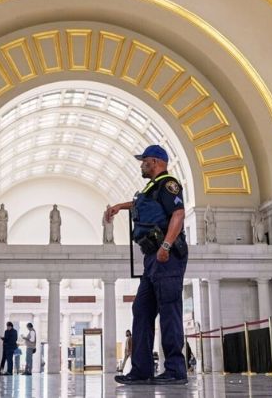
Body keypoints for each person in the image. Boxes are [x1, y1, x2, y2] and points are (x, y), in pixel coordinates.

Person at [104, 144, 189, 385]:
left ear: (155, 161)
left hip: (166, 255)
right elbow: (144, 204)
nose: (141, 164)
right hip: (152, 259)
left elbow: (178, 214)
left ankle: (175, 369)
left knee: (169, 310)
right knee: (141, 310)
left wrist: (166, 246)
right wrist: (121, 206)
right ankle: (141, 370)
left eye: (144, 161)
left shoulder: (168, 183)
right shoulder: (151, 188)